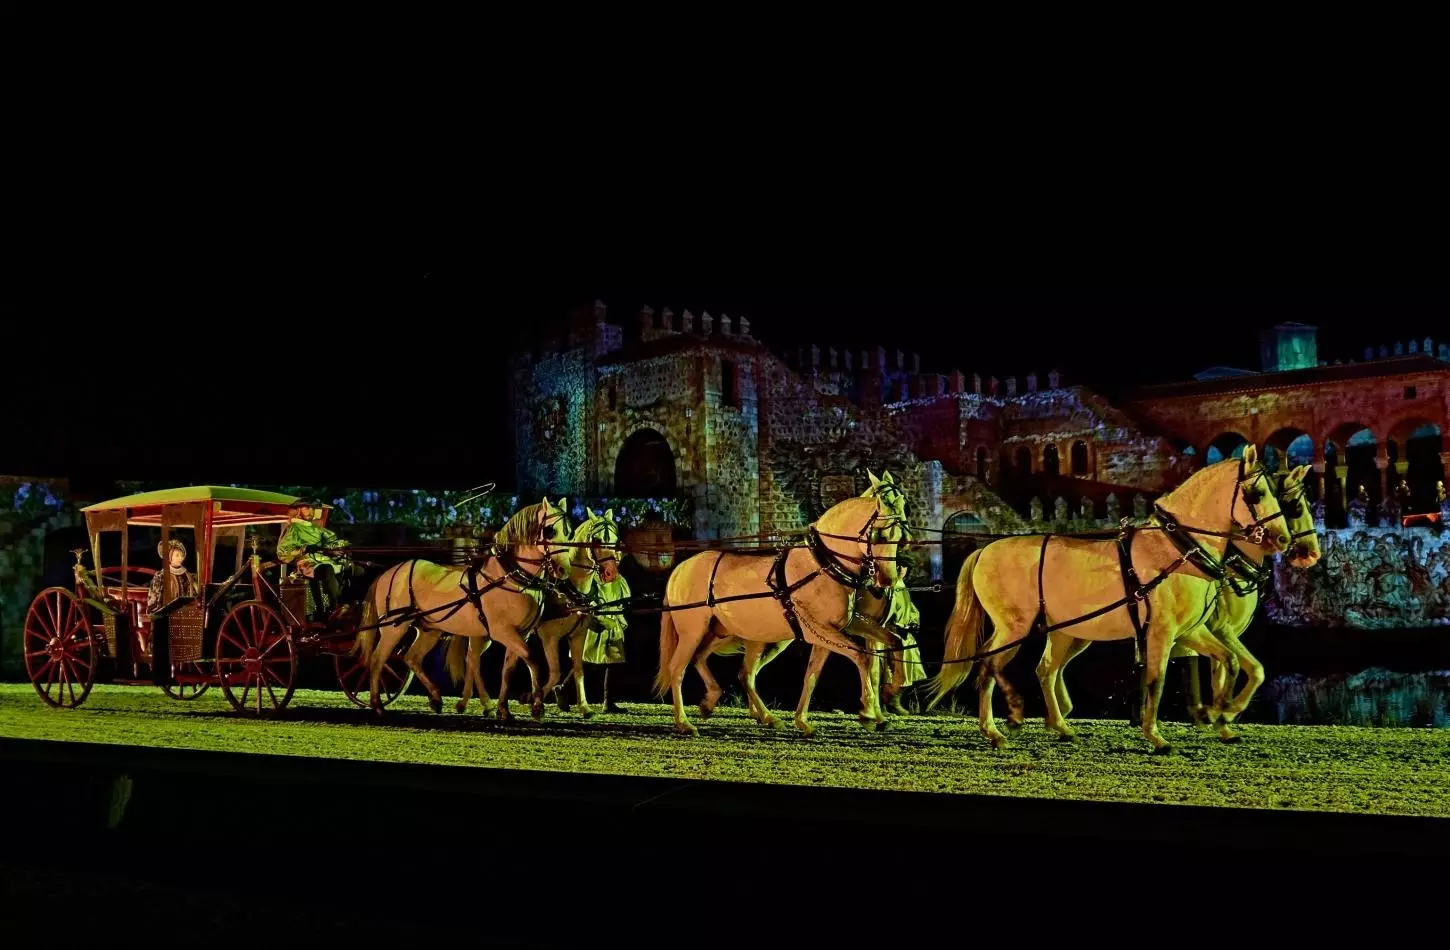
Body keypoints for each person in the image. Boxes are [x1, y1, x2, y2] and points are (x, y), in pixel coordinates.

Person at [276, 498, 350, 620]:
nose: (311, 511)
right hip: (306, 562)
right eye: (307, 508)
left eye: (312, 508)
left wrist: (342, 545)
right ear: (299, 510)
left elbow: (330, 542)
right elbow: (282, 552)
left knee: (352, 567)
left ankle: (352, 604)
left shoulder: (315, 528)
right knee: (326, 568)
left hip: (323, 558)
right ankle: (334, 607)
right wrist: (304, 548)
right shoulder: (293, 529)